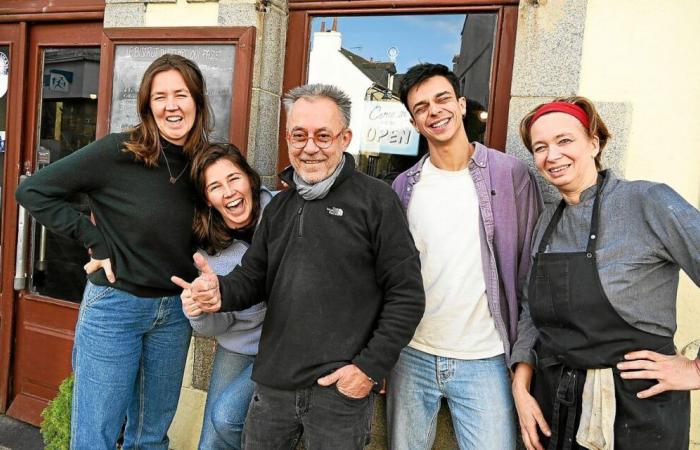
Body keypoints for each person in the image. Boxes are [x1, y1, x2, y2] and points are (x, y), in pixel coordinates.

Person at [172, 83, 425, 450]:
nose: (310, 147)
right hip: (273, 388)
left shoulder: (376, 201)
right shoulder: (279, 208)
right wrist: (219, 292)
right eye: (299, 135)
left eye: (323, 135)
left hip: (340, 392)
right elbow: (253, 278)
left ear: (345, 138)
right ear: (288, 137)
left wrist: (369, 369)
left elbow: (406, 294)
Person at [15, 54, 211, 450]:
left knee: (151, 436)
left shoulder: (204, 162)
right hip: (115, 306)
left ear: (197, 101)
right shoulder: (117, 151)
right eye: (160, 96)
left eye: (181, 94)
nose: (171, 105)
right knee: (95, 435)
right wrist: (94, 239)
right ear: (147, 104)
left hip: (174, 313)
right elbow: (33, 191)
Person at [511, 96, 700, 450]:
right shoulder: (546, 223)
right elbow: (529, 312)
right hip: (554, 405)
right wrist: (521, 385)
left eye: (565, 141)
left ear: (594, 142)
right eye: (540, 147)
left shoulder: (647, 202)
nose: (552, 155)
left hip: (638, 412)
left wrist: (695, 370)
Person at [388, 63, 543, 450]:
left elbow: (532, 275)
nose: (434, 111)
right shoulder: (403, 187)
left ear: (460, 105)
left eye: (442, 99)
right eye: (421, 107)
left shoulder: (510, 176)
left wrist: (523, 364)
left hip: (486, 357)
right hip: (412, 354)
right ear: (414, 122)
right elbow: (387, 277)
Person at [183, 143, 274, 450]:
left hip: (285, 345)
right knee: (209, 443)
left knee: (226, 418)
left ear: (249, 179)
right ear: (207, 200)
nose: (229, 192)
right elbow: (217, 328)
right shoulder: (210, 249)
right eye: (215, 186)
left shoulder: (283, 212)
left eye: (234, 178)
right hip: (242, 344)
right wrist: (199, 309)